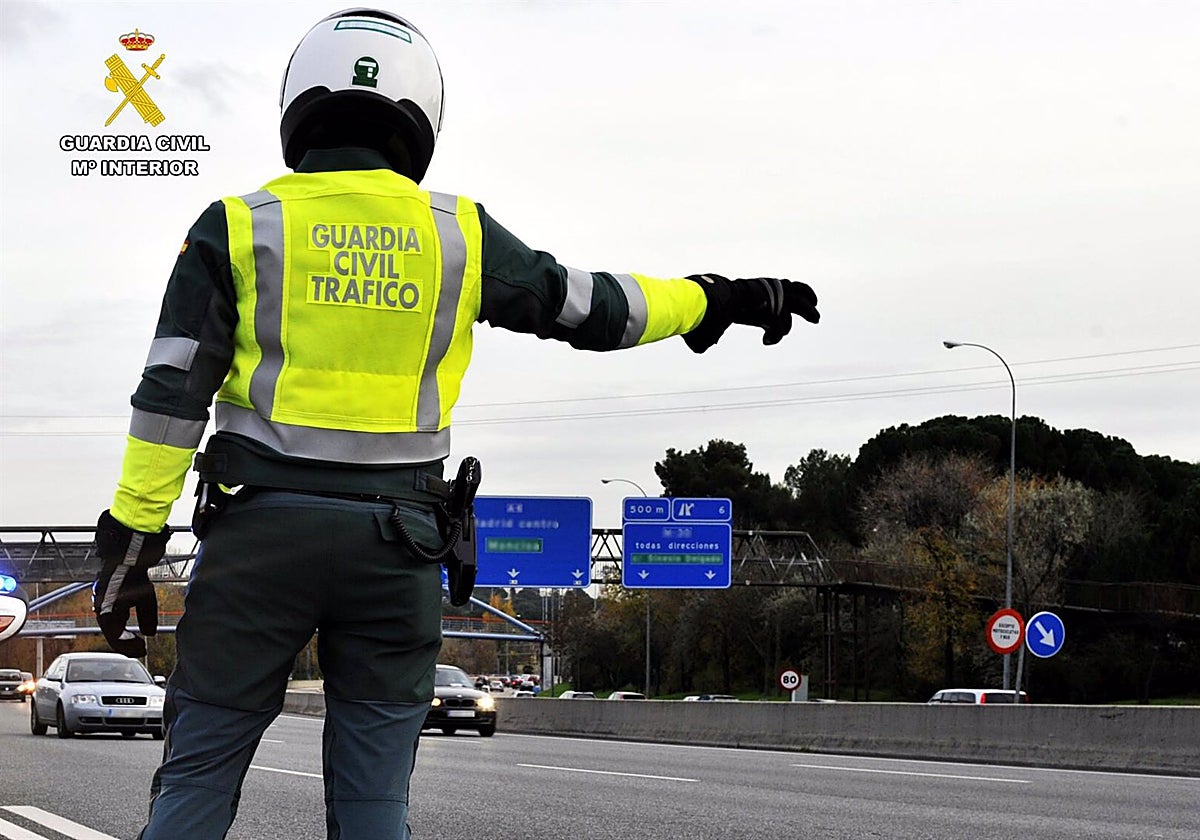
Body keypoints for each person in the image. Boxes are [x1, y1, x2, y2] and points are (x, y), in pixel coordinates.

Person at [90, 8, 820, 840]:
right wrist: (715, 297)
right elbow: (590, 304)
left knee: (198, 773)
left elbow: (171, 396)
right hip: (399, 549)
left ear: (297, 105)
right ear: (421, 115)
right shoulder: (457, 235)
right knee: (373, 802)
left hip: (259, 543)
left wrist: (134, 539)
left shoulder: (238, 225)